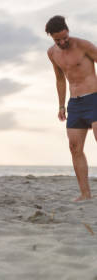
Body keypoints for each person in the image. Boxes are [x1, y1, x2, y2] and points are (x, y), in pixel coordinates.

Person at [46, 15, 97, 201]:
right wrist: (61, 104)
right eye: (58, 39)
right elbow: (60, 78)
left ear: (68, 31)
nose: (63, 42)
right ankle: (85, 194)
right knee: (74, 148)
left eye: (65, 37)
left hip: (94, 98)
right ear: (51, 37)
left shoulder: (84, 45)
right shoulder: (52, 53)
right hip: (75, 103)